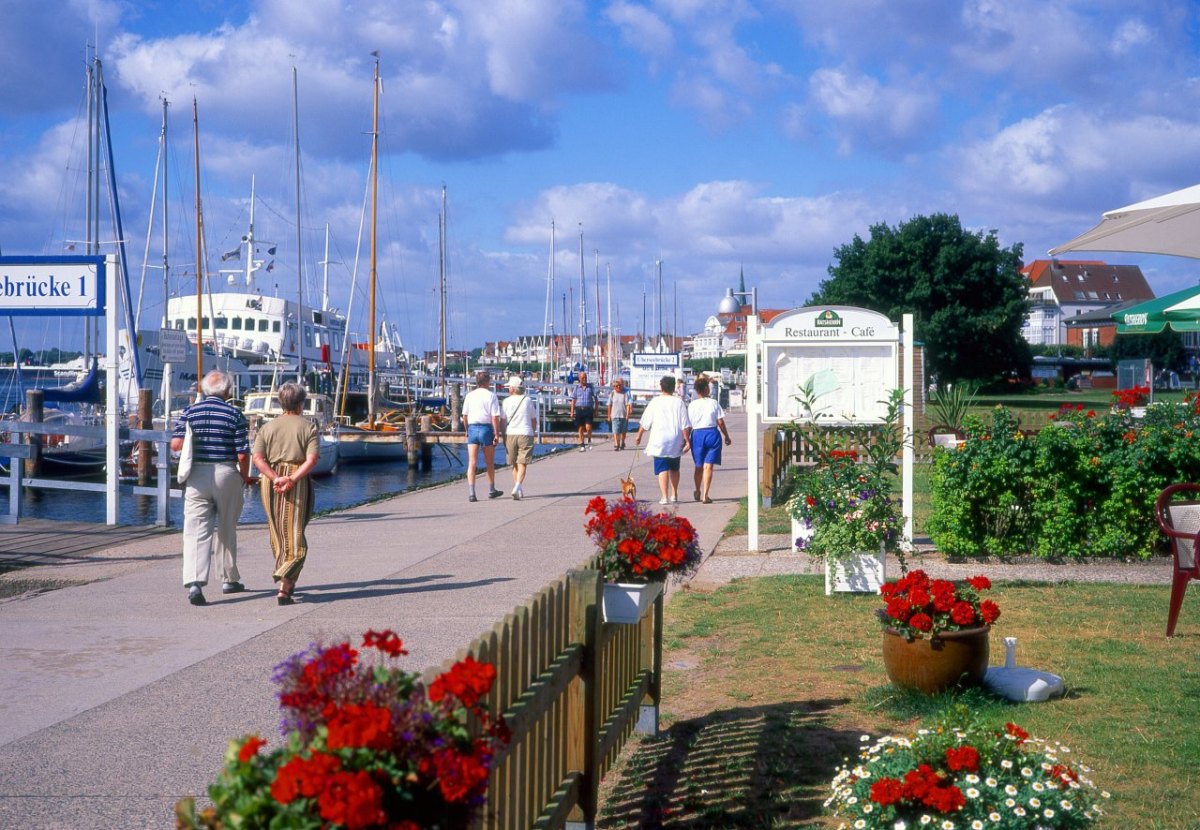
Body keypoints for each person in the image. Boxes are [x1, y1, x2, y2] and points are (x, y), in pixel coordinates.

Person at [171, 369, 252, 606]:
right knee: (227, 527)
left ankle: (195, 583)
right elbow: (242, 453)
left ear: (205, 390)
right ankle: (228, 579)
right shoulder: (234, 414)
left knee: (195, 530)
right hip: (226, 472)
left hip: (197, 474)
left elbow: (176, 445)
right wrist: (245, 477)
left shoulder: (189, 412)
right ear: (227, 391)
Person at [251, 382, 320, 605]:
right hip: (296, 478)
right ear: (301, 404)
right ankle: (283, 577)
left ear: (281, 402)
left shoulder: (267, 428)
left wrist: (275, 477)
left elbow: (258, 459)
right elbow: (312, 460)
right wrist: (291, 478)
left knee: (278, 532)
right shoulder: (308, 427)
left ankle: (286, 585)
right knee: (296, 534)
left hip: (270, 481)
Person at [635, 375, 691, 505]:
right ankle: (674, 493)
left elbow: (645, 422)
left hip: (659, 439)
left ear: (661, 387)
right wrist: (687, 441)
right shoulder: (679, 402)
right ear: (673, 388)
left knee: (662, 468)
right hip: (675, 438)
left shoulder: (655, 402)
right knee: (674, 468)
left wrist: (639, 435)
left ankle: (664, 496)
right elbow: (685, 424)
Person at [688, 376, 732, 504]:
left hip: (697, 435)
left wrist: (686, 440)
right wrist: (726, 436)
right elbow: (720, 422)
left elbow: (688, 425)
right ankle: (705, 495)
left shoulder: (692, 405)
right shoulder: (713, 403)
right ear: (706, 389)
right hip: (712, 433)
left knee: (698, 466)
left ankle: (697, 490)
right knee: (709, 467)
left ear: (697, 390)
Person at [462, 370, 503, 502]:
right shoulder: (491, 396)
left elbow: (464, 416)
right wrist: (496, 433)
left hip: (473, 428)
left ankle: (471, 492)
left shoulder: (469, 395)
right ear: (487, 382)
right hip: (486, 428)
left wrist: (466, 429)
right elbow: (494, 417)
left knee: (472, 462)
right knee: (489, 462)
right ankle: (491, 490)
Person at [500, 375, 537, 500]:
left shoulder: (506, 402)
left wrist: (502, 434)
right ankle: (517, 487)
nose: (508, 389)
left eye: (509, 387)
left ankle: (517, 487)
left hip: (510, 433)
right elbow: (533, 419)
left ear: (513, 388)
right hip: (525, 433)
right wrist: (534, 431)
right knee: (522, 463)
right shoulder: (527, 400)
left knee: (514, 463)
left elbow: (502, 421)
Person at [569, 371, 597, 451]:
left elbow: (596, 398)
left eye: (585, 377)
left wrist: (596, 410)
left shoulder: (590, 387)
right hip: (579, 409)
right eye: (582, 378)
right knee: (580, 428)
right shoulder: (577, 388)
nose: (584, 379)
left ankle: (589, 440)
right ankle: (582, 445)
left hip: (588, 409)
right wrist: (572, 412)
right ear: (579, 379)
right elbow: (573, 400)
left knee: (588, 427)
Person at [608, 379, 631, 451]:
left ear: (621, 386)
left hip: (623, 415)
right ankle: (616, 444)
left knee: (623, 431)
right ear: (614, 386)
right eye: (616, 386)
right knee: (616, 431)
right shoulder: (612, 393)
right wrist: (609, 415)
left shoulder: (625, 393)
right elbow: (609, 405)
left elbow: (627, 405)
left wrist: (627, 415)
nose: (618, 387)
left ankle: (622, 442)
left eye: (619, 386)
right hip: (615, 415)